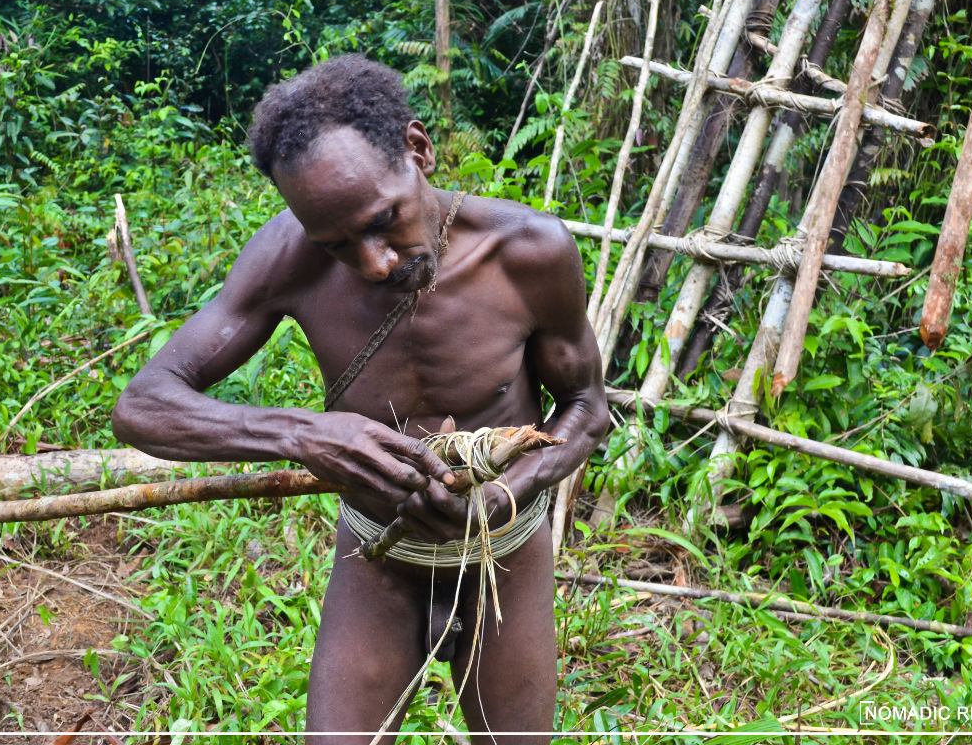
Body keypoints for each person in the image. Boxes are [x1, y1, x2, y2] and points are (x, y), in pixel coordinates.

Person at [111, 54, 608, 742]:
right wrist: (304, 435)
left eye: (384, 221)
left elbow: (586, 410)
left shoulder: (529, 252)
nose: (375, 262)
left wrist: (504, 495)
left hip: (506, 555)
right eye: (338, 245)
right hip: (378, 558)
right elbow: (144, 405)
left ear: (418, 149)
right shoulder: (288, 258)